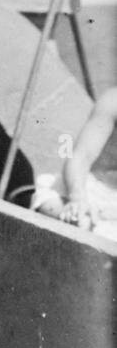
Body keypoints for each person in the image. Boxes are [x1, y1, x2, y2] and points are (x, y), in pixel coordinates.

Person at [34, 86, 117, 241]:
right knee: (67, 215)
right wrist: (78, 199)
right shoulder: (113, 100)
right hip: (87, 189)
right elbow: (81, 156)